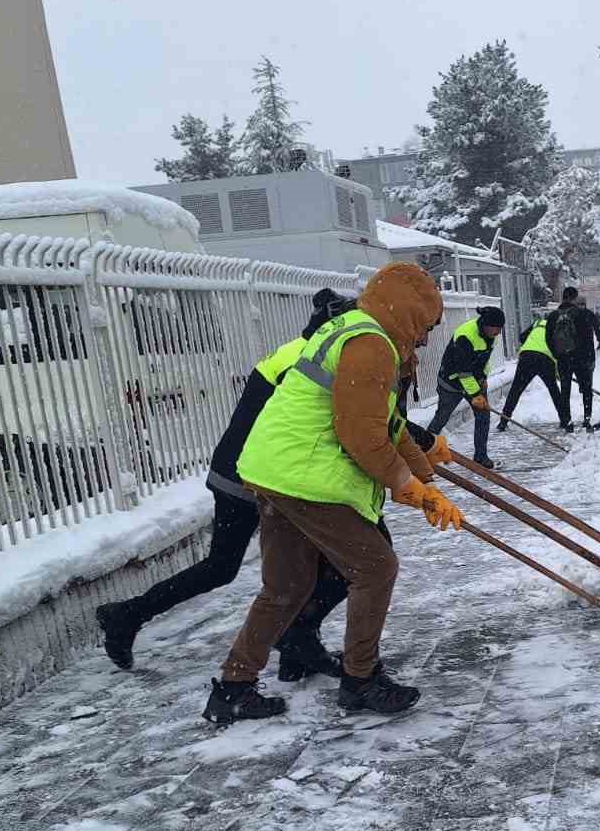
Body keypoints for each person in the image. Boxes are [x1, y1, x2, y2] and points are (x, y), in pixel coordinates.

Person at [95, 289, 450, 684]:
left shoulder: (313, 347)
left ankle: (295, 643)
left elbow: (371, 413)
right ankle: (131, 615)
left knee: (311, 569)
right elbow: (355, 415)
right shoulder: (322, 353)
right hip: (252, 475)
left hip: (271, 469)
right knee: (248, 567)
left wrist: (420, 450)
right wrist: (421, 451)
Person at [204, 262, 463, 725]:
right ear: (405, 311)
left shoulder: (356, 328)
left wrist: (424, 477)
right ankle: (361, 679)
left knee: (285, 586)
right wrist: (407, 488)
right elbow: (361, 433)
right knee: (375, 568)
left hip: (273, 468)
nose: (424, 338)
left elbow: (386, 421)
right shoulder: (371, 345)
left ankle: (233, 688)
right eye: (423, 325)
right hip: (305, 474)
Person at [426, 305, 503, 467]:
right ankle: (423, 451)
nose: (499, 333)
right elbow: (463, 371)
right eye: (496, 329)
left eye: (500, 329)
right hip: (451, 381)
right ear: (486, 325)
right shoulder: (465, 336)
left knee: (483, 416)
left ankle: (480, 457)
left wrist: (483, 378)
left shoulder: (490, 335)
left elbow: (483, 359)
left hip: (472, 380)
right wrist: (476, 395)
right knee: (442, 417)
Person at [497, 313, 568, 431]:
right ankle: (564, 420)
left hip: (527, 356)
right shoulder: (558, 328)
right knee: (554, 391)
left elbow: (522, 337)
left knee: (515, 390)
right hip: (545, 359)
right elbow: (559, 350)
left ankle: (503, 421)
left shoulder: (537, 323)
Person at [548, 287, 600, 432]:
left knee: (565, 391)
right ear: (574, 298)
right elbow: (588, 338)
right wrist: (590, 358)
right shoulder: (581, 314)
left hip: (563, 360)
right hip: (582, 359)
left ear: (563, 297)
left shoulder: (553, 316)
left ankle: (567, 421)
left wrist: (557, 355)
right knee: (586, 389)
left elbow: (548, 339)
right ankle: (587, 419)